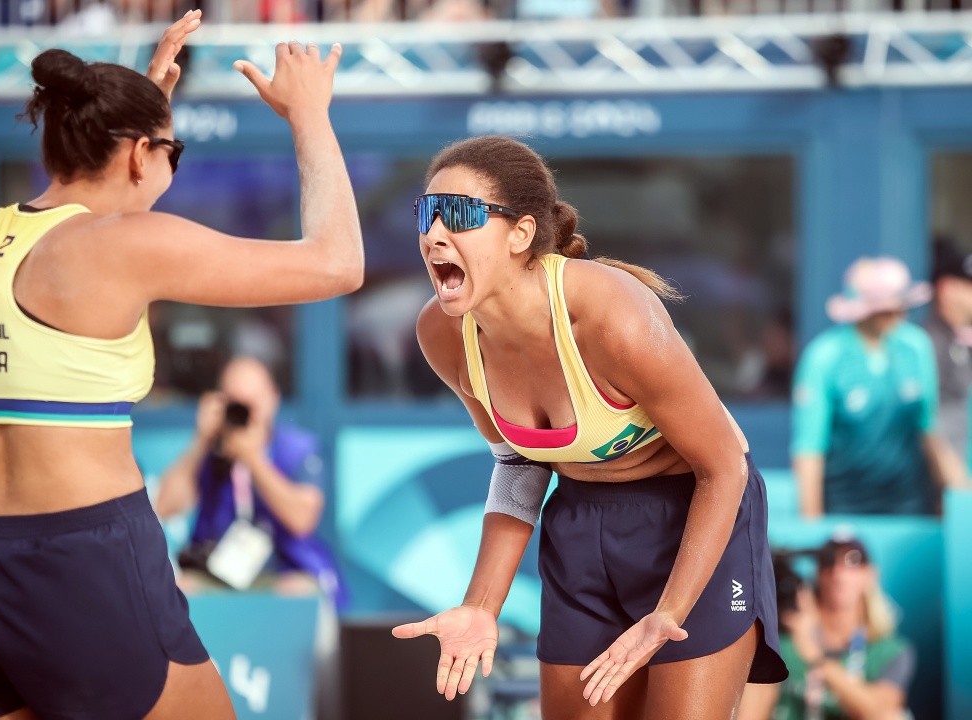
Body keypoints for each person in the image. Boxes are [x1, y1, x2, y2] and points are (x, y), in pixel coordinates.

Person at [0, 10, 363, 719]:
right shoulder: (124, 247)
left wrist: (138, 117)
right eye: (170, 155)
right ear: (134, 156)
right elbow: (338, 264)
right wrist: (310, 114)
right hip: (78, 560)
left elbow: (81, 217)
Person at [392, 135, 787, 719]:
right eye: (427, 213)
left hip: (696, 517)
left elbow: (724, 464)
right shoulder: (443, 333)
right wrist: (481, 605)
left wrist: (670, 613)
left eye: (460, 215)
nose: (433, 234)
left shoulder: (609, 314)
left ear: (521, 234)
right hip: (583, 525)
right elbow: (519, 464)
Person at [155, 356, 346, 607]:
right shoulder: (210, 450)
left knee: (299, 593)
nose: (245, 413)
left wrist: (254, 460)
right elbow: (166, 507)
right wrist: (200, 442)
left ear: (273, 398)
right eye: (236, 402)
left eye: (252, 401)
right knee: (180, 589)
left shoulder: (298, 449)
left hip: (283, 571)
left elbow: (302, 520)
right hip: (219, 572)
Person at [792, 257, 967, 517]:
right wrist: (812, 526)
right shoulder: (824, 356)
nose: (898, 315)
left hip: (910, 507)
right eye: (886, 309)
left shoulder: (917, 346)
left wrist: (963, 496)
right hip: (844, 508)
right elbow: (809, 449)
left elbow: (929, 430)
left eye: (901, 306)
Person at [739, 535, 916, 720]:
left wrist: (816, 658)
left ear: (869, 574)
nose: (838, 573)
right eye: (828, 562)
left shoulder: (889, 651)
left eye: (852, 561)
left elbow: (880, 712)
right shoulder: (781, 644)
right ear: (818, 574)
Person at [924, 238, 972, 467]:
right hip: (941, 484)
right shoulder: (927, 342)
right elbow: (925, 422)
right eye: (968, 286)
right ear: (945, 289)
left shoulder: (961, 340)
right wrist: (954, 479)